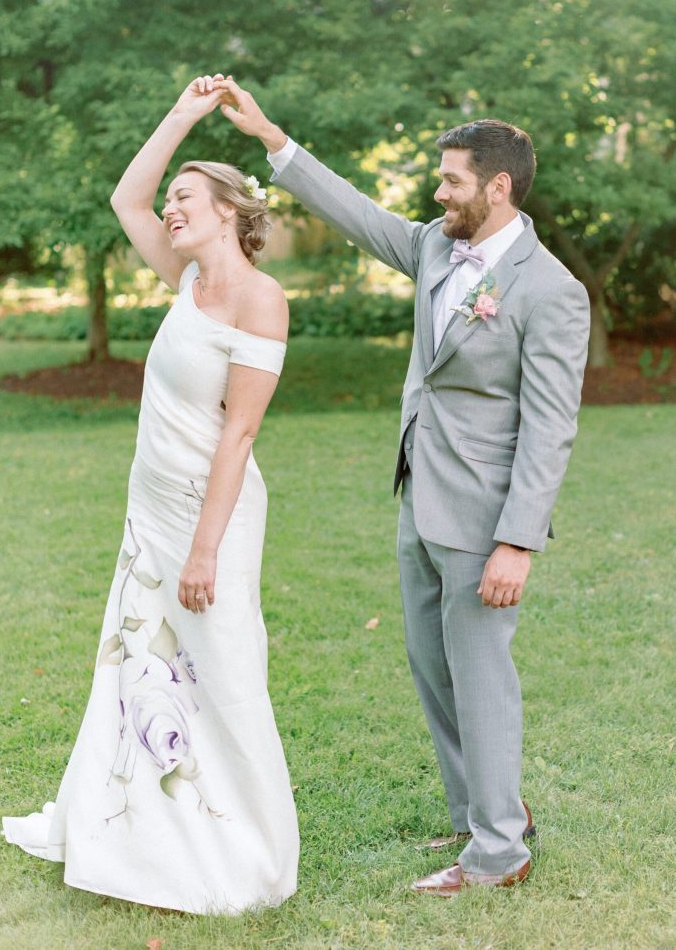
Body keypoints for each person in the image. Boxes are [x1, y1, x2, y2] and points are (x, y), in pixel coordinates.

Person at [216, 77, 590, 897]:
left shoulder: (550, 290)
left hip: (485, 521)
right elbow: (357, 215)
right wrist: (271, 137)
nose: (437, 190)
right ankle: (483, 817)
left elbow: (549, 426)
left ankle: (498, 857)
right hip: (418, 500)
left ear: (496, 187)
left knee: (481, 676)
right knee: (434, 669)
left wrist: (516, 542)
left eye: (452, 179)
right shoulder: (431, 245)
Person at [3, 75, 299, 915]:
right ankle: (138, 826)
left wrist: (205, 547)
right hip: (150, 514)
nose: (169, 208)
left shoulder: (258, 299)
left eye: (187, 197)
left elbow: (239, 435)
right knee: (137, 666)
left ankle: (252, 852)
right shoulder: (182, 278)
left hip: (213, 520)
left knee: (225, 669)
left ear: (230, 212)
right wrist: (184, 115)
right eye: (172, 199)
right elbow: (123, 195)